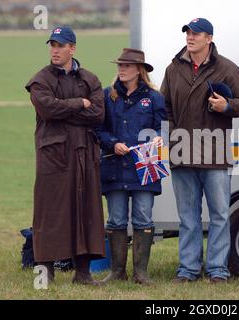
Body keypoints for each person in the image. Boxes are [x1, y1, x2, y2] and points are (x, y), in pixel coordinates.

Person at [161, 18, 239, 283]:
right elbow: (164, 106)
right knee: (188, 217)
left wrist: (227, 107)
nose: (190, 37)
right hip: (181, 153)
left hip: (215, 154)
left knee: (219, 216)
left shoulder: (227, 68)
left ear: (209, 38)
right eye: (188, 33)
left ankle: (217, 270)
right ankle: (188, 269)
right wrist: (168, 138)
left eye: (196, 34)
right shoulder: (173, 69)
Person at [25, 26, 106, 285]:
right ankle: (45, 270)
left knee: (87, 210)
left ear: (72, 48)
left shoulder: (89, 80)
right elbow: (48, 109)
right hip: (53, 156)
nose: (55, 50)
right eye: (52, 45)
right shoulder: (41, 79)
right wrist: (77, 104)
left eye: (60, 45)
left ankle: (82, 273)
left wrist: (67, 110)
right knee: (50, 211)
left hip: (85, 154)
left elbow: (98, 114)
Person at [95, 48, 166, 285]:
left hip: (145, 166)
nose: (121, 69)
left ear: (139, 70)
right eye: (120, 66)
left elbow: (163, 126)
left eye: (127, 66)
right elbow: (99, 129)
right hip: (114, 166)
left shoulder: (155, 98)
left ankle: (141, 273)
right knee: (115, 219)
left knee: (143, 217)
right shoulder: (108, 95)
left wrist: (158, 136)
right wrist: (113, 144)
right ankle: (117, 271)